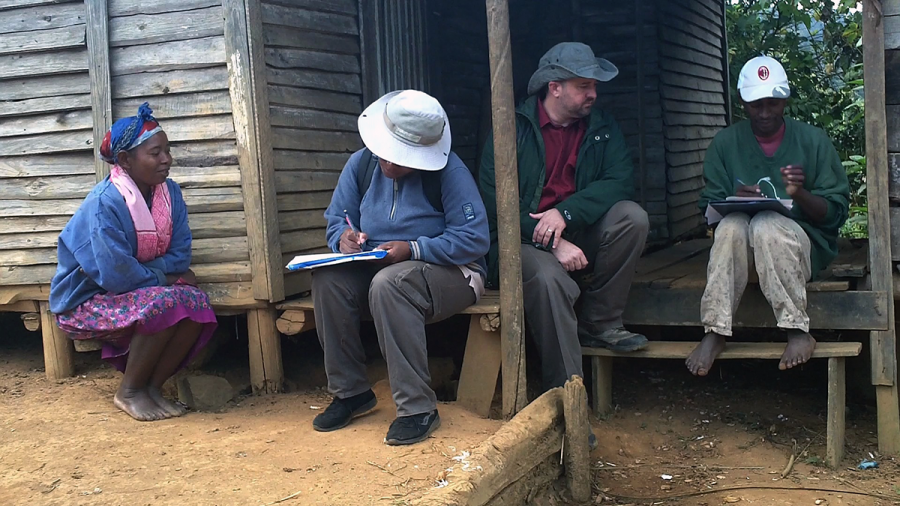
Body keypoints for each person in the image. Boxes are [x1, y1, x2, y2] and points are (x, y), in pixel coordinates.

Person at [311, 90, 490, 445]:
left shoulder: (448, 172)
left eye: (401, 159)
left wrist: (414, 248)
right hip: (379, 268)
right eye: (387, 154)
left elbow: (474, 239)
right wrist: (344, 237)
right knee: (328, 278)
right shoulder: (361, 164)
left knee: (391, 283)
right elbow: (336, 218)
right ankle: (350, 392)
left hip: (453, 272)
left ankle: (417, 408)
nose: (389, 164)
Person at [479, 42, 650, 393]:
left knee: (631, 218)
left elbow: (620, 181)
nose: (593, 94)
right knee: (547, 280)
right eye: (584, 86)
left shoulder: (602, 126)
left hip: (576, 229)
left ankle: (600, 323)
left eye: (594, 86)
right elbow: (494, 202)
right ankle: (566, 392)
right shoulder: (511, 128)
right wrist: (551, 240)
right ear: (554, 88)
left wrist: (565, 213)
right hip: (519, 240)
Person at [49, 103, 218, 422]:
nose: (166, 159)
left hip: (134, 291)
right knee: (166, 302)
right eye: (156, 153)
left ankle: (151, 388)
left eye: (167, 150)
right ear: (125, 160)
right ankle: (128, 391)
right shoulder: (104, 205)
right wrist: (166, 276)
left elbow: (181, 254)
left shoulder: (170, 195)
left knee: (197, 304)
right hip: (86, 301)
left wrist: (160, 274)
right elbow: (117, 276)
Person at [687, 56, 850, 376]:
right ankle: (715, 331)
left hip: (796, 252)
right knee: (733, 226)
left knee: (766, 224)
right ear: (743, 103)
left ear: (785, 100)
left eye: (772, 104)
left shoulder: (813, 141)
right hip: (741, 259)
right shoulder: (725, 143)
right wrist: (733, 199)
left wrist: (798, 194)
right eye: (755, 105)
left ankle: (797, 329)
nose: (764, 113)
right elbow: (708, 207)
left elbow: (834, 215)